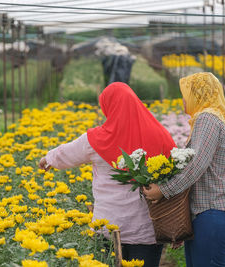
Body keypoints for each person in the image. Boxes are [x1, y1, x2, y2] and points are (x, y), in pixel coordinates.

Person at [39, 82, 176, 267]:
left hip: (108, 226)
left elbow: (67, 153)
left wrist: (48, 159)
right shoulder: (160, 135)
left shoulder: (97, 138)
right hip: (146, 229)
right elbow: (175, 174)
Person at [143, 72, 225, 267]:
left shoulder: (207, 119)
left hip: (213, 212)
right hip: (206, 214)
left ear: (198, 94)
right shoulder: (208, 119)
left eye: (186, 93)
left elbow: (196, 165)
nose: (183, 100)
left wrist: (164, 190)